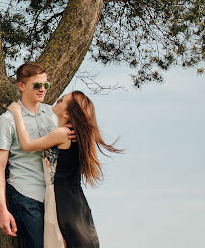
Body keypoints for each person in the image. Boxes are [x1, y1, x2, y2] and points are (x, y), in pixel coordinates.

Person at [8, 91, 122, 247]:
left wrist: (17, 114)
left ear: (67, 113)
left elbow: (27, 145)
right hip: (75, 200)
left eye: (61, 100)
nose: (56, 99)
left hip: (62, 199)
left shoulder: (62, 134)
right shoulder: (73, 135)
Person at [0, 62, 75, 248]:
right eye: (37, 85)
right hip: (25, 195)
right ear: (21, 86)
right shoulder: (8, 120)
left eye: (46, 85)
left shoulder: (53, 115)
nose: (42, 90)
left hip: (54, 198)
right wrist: (2, 210)